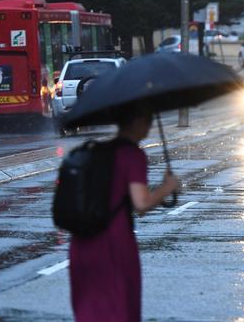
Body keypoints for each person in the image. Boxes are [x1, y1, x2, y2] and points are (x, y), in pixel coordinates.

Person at [69, 106, 180, 322]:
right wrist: (168, 187)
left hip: (81, 245)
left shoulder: (95, 152)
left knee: (90, 312)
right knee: (120, 310)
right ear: (137, 121)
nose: (148, 127)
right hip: (113, 244)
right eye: (147, 121)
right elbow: (141, 203)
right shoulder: (132, 155)